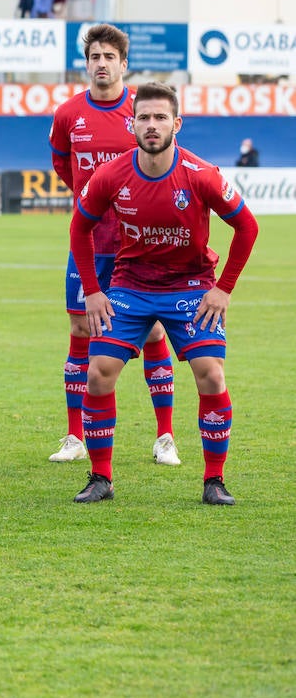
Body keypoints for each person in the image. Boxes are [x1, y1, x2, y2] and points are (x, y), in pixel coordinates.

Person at [69, 82, 258, 505]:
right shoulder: (112, 174)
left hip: (191, 285)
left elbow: (247, 227)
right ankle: (100, 478)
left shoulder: (201, 175)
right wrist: (94, 290)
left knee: (211, 373)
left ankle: (214, 482)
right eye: (143, 118)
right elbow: (79, 228)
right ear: (131, 123)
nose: (151, 126)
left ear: (177, 124)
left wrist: (222, 289)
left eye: (160, 118)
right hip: (131, 284)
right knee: (99, 372)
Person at [48, 24, 177, 465]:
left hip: (138, 246)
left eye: (110, 57)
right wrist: (92, 201)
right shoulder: (68, 114)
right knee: (81, 331)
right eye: (94, 57)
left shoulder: (142, 111)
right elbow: (63, 164)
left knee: (155, 329)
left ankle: (165, 436)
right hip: (88, 242)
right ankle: (74, 436)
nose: (101, 64)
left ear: (124, 64)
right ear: (87, 64)